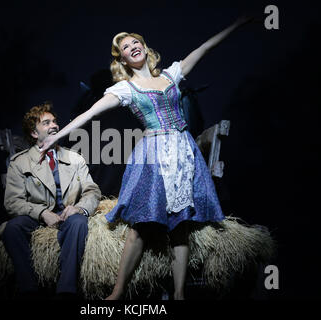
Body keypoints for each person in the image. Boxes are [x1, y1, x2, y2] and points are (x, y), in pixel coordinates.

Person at [39, 16, 254, 300]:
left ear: (144, 47)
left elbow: (203, 49)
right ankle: (117, 292)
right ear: (124, 59)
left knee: (180, 226)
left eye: (136, 42)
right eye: (127, 47)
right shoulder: (125, 89)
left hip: (183, 152)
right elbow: (88, 114)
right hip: (154, 154)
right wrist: (56, 137)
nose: (133, 47)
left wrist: (237, 24)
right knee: (140, 224)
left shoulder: (170, 75)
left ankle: (178, 294)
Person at [2, 102, 101, 299]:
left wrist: (79, 208)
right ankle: (29, 290)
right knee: (12, 229)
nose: (54, 125)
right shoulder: (20, 162)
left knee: (79, 223)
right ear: (34, 133)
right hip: (37, 218)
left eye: (55, 121)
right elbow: (13, 202)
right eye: (46, 123)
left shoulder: (75, 159)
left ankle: (66, 290)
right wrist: (41, 213)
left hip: (67, 216)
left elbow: (92, 191)